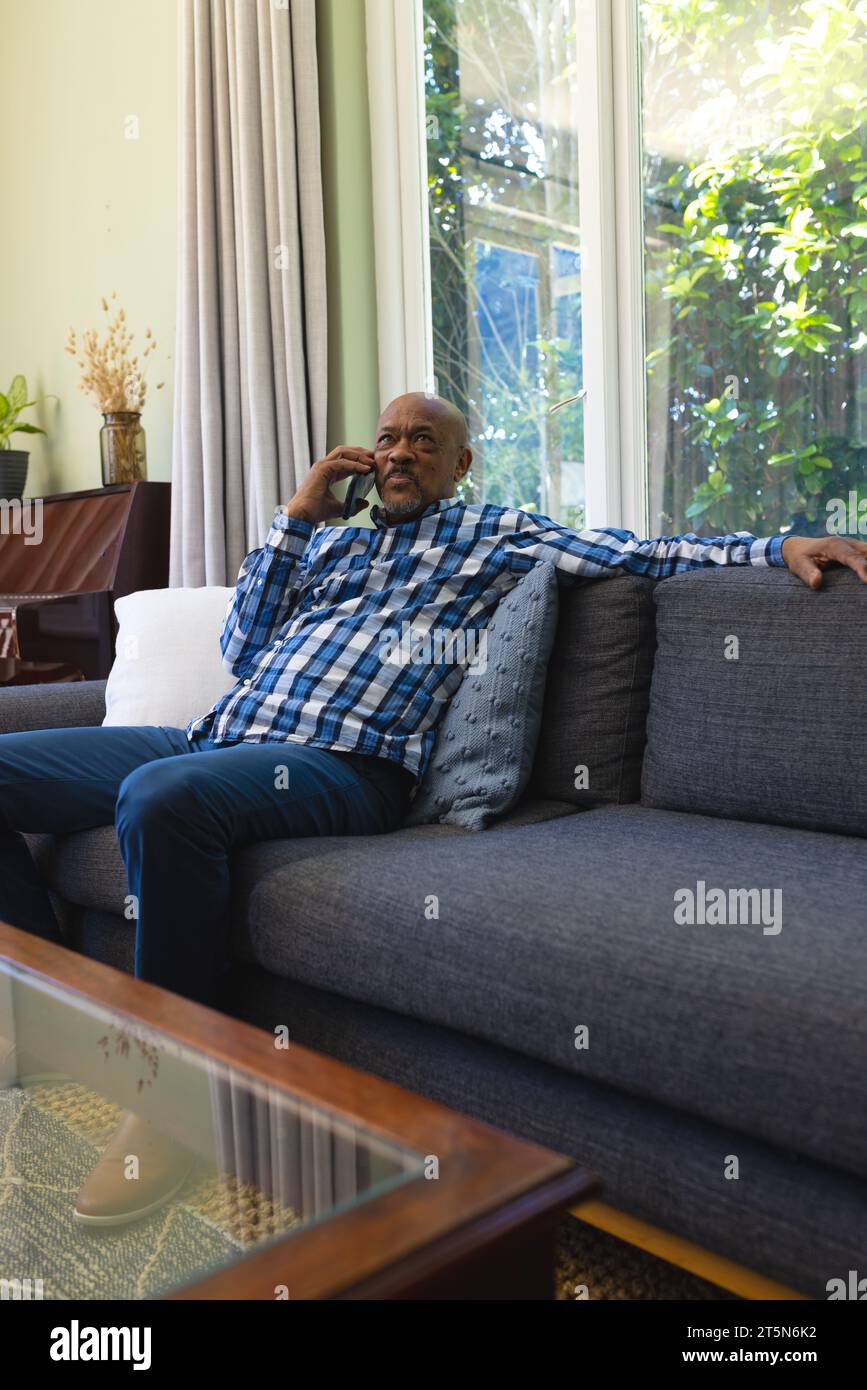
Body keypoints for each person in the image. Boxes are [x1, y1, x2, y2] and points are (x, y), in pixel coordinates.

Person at [1, 391, 865, 1224]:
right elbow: (243, 644)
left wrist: (776, 545)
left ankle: (174, 1094)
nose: (400, 452)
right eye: (387, 438)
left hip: (343, 767)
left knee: (160, 799)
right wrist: (298, 517)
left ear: (459, 463)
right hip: (213, 738)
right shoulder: (331, 544)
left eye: (423, 440)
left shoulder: (498, 534)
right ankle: (41, 1017)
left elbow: (638, 555)